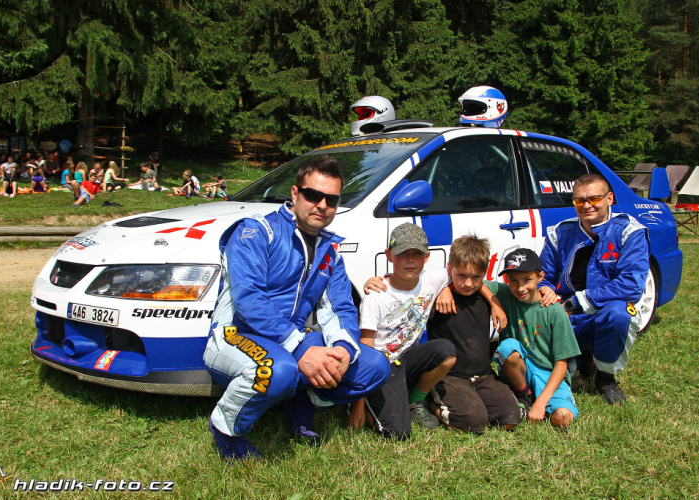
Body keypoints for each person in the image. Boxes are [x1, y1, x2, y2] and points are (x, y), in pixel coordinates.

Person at [203, 155, 390, 461]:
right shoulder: (257, 231)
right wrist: (302, 348)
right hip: (236, 335)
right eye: (313, 195)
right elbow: (249, 301)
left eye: (331, 199)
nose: (322, 205)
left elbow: (342, 308)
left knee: (374, 367)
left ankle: (302, 398)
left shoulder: (330, 252)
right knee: (277, 370)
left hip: (292, 341)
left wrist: (343, 349)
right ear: (295, 193)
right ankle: (226, 429)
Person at [539, 173, 650, 405]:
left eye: (594, 198)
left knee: (619, 313)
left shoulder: (629, 231)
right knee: (544, 352)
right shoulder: (559, 232)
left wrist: (576, 302)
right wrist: (545, 289)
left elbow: (631, 285)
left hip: (601, 309)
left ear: (609, 198)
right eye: (579, 200)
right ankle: (581, 359)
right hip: (567, 313)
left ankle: (605, 377)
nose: (586, 205)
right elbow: (543, 276)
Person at [351, 223, 456, 440]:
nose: (410, 260)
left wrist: (447, 288)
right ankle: (369, 401)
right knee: (398, 434)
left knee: (446, 351)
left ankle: (415, 399)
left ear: (427, 256)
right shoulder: (376, 295)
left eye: (417, 254)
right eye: (402, 254)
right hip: (381, 366)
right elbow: (365, 349)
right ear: (389, 255)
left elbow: (465, 271)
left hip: (408, 359)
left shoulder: (432, 280)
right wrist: (357, 405)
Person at [425, 235, 523, 434]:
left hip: (483, 375)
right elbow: (406, 286)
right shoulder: (437, 296)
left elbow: (525, 291)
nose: (468, 283)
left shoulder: (488, 294)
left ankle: (479, 399)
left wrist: (494, 301)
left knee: (510, 418)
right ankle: (431, 402)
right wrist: (445, 288)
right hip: (449, 376)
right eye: (461, 275)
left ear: (484, 274)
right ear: (450, 268)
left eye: (476, 277)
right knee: (474, 422)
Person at [490, 248, 581, 427]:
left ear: (540, 277)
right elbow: (475, 282)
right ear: (506, 279)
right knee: (507, 347)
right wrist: (494, 304)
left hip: (549, 375)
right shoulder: (506, 295)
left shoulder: (554, 310)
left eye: (527, 280)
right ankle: (524, 395)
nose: (520, 287)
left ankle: (543, 400)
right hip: (520, 371)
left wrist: (541, 402)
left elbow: (561, 364)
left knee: (562, 418)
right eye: (513, 280)